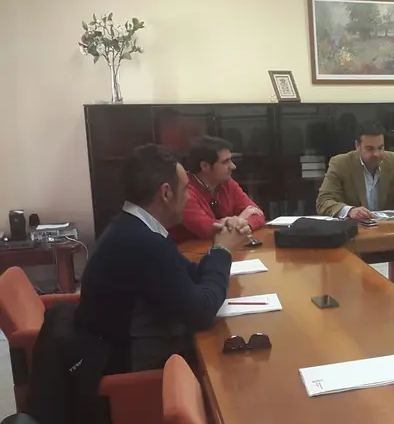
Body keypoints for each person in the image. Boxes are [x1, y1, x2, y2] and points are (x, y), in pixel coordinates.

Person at [74, 144, 250, 374]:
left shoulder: (133, 227)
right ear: (166, 193)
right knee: (236, 367)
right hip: (133, 368)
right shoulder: (142, 243)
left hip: (124, 349)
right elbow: (202, 313)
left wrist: (219, 244)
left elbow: (190, 275)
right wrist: (223, 251)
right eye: (185, 189)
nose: (189, 197)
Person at [316, 121, 394, 301]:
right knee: (347, 267)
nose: (376, 154)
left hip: (387, 234)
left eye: (380, 148)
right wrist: (350, 210)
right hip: (355, 236)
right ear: (357, 146)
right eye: (369, 149)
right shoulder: (340, 163)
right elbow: (324, 201)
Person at [169, 136, 265, 242]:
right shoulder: (184, 190)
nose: (233, 166)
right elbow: (207, 230)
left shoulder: (227, 183)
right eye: (226, 162)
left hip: (222, 246)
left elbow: (258, 214)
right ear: (205, 166)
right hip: (188, 250)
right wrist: (240, 220)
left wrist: (241, 224)